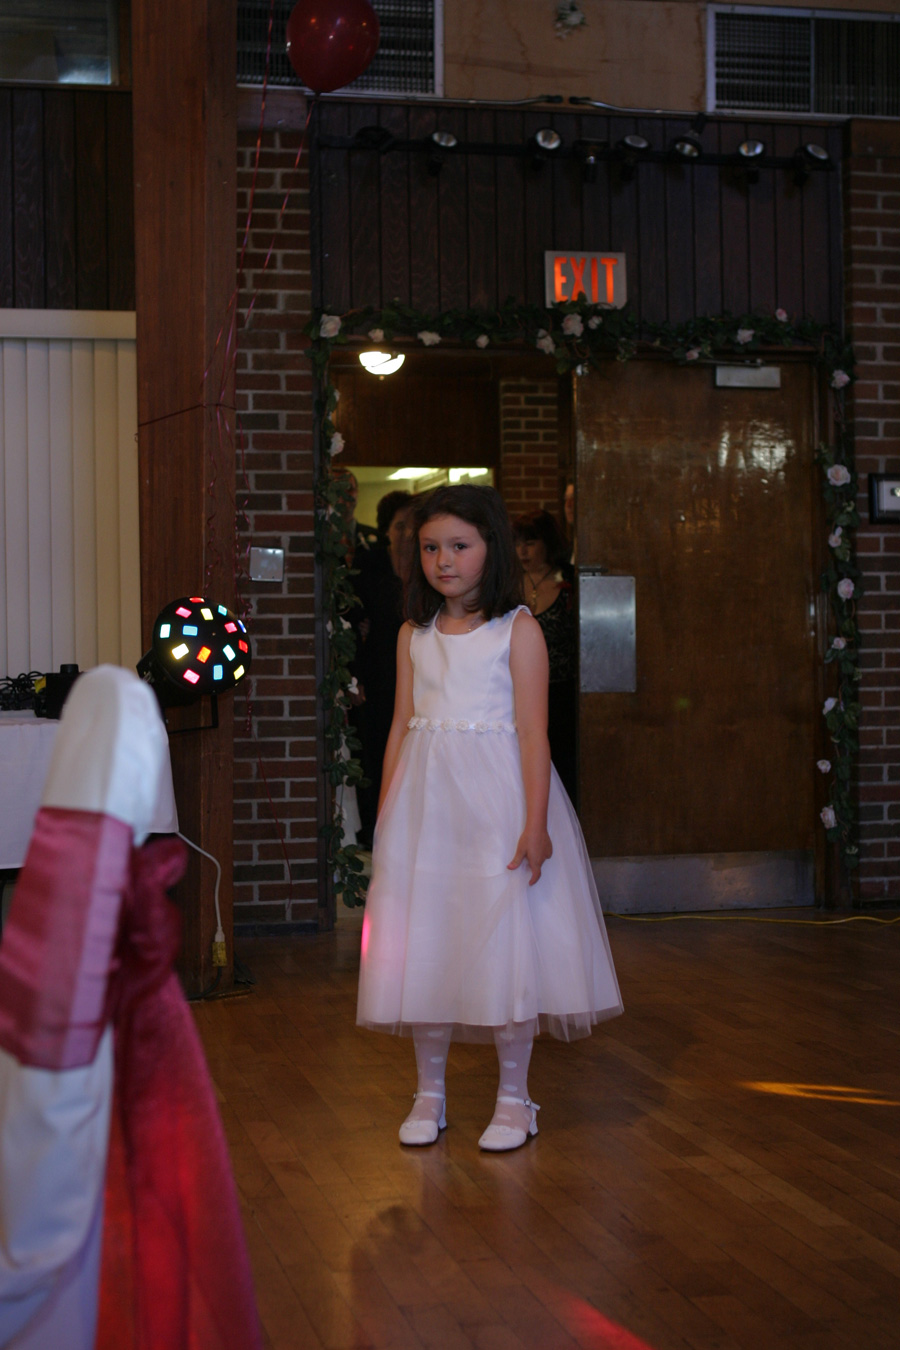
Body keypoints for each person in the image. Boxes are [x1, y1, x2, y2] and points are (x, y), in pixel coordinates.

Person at [356, 485, 622, 1152]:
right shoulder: (412, 635)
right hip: (428, 808)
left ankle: (514, 1099)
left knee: (506, 944)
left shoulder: (517, 630)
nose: (443, 561)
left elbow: (533, 734)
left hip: (497, 805)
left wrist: (535, 823)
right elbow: (400, 726)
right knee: (426, 941)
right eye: (430, 548)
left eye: (459, 546)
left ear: (490, 549)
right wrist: (387, 813)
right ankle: (429, 1092)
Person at [352, 490, 413, 845]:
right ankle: (379, 830)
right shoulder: (369, 565)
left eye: (413, 525)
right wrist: (356, 677)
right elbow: (353, 621)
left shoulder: (427, 565)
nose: (407, 533)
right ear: (386, 529)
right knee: (377, 752)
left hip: (417, 676)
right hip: (378, 675)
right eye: (400, 525)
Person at [513, 508, 578, 803]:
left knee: (562, 768)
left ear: (547, 543)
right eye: (518, 543)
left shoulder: (570, 581)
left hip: (561, 693)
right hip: (517, 693)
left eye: (530, 542)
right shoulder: (508, 584)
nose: (523, 551)